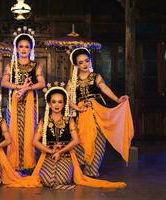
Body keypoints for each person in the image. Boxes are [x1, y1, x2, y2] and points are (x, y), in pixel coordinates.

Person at [66, 47, 134, 177]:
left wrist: (117, 99)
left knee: (99, 142)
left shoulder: (95, 76)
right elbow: (66, 98)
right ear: (76, 65)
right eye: (81, 62)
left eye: (86, 61)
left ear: (90, 61)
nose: (85, 64)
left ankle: (91, 171)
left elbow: (104, 88)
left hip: (98, 112)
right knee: (82, 140)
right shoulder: (72, 81)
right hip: (82, 114)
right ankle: (80, 167)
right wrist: (77, 108)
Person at [1, 27, 45, 171]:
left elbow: (42, 83)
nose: (24, 49)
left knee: (29, 130)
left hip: (30, 99)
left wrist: (27, 89)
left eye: (27, 46)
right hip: (14, 99)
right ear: (17, 48)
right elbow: (4, 83)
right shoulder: (11, 65)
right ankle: (13, 164)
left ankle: (28, 163)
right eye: (21, 46)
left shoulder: (35, 65)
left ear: (31, 48)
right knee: (13, 130)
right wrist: (20, 86)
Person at [33, 85, 79, 189]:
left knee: (63, 180)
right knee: (47, 181)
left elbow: (76, 140)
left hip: (65, 155)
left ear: (64, 104)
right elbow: (35, 141)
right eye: (53, 102)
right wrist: (51, 152)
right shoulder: (43, 121)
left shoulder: (69, 120)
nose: (57, 105)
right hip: (49, 155)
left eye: (60, 102)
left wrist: (60, 152)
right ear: (49, 104)